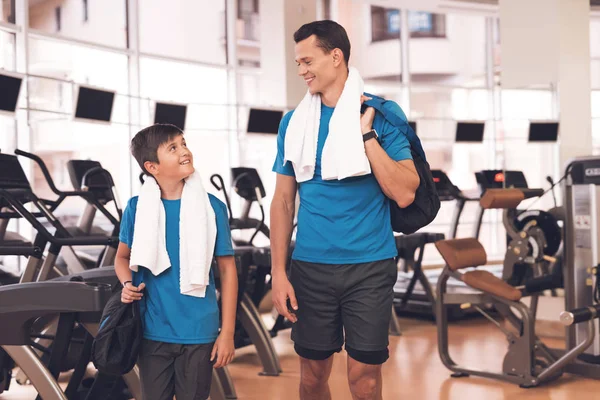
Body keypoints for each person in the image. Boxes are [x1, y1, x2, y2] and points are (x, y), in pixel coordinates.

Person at [270, 20, 420, 400]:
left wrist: (365, 134)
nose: (301, 70)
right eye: (297, 63)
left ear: (335, 57)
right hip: (311, 267)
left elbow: (404, 193)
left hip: (369, 266)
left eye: (307, 61)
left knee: (364, 379)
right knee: (311, 377)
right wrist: (277, 270)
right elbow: (284, 200)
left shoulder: (382, 115)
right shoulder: (294, 123)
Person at [114, 123, 238, 400]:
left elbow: (228, 271)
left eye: (184, 143)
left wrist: (227, 331)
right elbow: (122, 258)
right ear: (152, 166)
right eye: (173, 147)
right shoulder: (136, 208)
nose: (185, 151)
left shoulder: (213, 208)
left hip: (199, 330)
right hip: (152, 331)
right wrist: (125, 283)